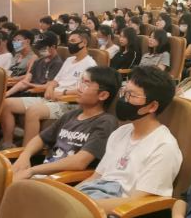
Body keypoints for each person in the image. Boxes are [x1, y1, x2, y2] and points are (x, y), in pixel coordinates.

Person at [77, 67, 182, 212]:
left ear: (152, 106)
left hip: (118, 211)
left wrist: (80, 206)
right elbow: (96, 177)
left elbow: (138, 202)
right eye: (124, 92)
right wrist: (68, 197)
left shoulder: (164, 147)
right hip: (92, 200)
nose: (123, 99)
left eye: (131, 95)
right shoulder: (120, 132)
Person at [10, 67, 120, 180]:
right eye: (80, 82)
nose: (78, 89)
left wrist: (32, 170)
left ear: (103, 95)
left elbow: (80, 162)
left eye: (86, 84)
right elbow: (40, 138)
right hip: (41, 174)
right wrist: (24, 156)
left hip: (62, 180)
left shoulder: (106, 122)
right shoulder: (71, 115)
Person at [0, 31, 95, 148]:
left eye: (73, 41)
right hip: (52, 97)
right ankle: (7, 144)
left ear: (83, 43)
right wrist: (50, 88)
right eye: (69, 41)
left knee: (33, 111)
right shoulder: (69, 60)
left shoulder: (90, 64)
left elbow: (84, 90)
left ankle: (27, 151)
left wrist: (63, 92)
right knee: (7, 103)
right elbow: (55, 81)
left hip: (69, 102)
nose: (70, 44)